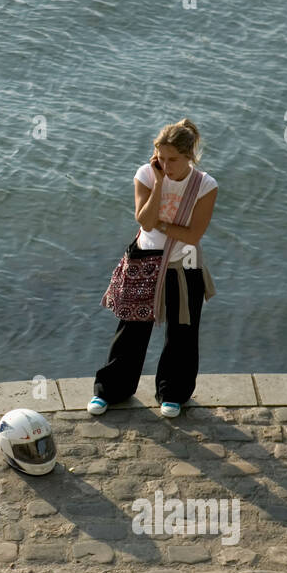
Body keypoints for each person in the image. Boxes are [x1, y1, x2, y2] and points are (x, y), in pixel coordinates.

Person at [88, 118, 217, 418]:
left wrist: (161, 223)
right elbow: (144, 221)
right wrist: (160, 183)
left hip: (184, 264)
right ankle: (111, 390)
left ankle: (173, 393)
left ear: (189, 157)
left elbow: (193, 235)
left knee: (182, 332)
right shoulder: (146, 175)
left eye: (173, 160)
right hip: (145, 260)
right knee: (131, 328)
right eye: (161, 158)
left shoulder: (205, 185)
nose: (166, 164)